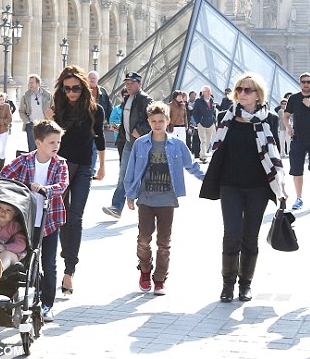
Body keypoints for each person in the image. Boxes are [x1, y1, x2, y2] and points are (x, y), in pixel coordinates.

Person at [199, 73, 286, 303]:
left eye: (248, 90)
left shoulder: (270, 119)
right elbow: (218, 151)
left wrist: (280, 182)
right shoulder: (225, 116)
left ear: (259, 94)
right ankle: (228, 284)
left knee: (250, 237)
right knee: (231, 234)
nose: (242, 94)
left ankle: (245, 285)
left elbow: (274, 153)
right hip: (230, 185)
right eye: (239, 89)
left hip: (258, 187)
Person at [124, 101, 205, 295]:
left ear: (168, 121)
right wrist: (130, 195)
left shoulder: (177, 145)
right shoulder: (140, 143)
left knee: (164, 242)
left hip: (167, 199)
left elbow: (191, 165)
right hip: (145, 198)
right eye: (154, 121)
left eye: (161, 120)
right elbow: (131, 170)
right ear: (149, 122)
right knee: (143, 239)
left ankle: (160, 278)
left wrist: (209, 179)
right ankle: (145, 269)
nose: (158, 124)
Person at [0, 120, 69, 322]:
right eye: (51, 142)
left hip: (49, 221)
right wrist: (15, 186)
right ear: (38, 142)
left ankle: (47, 304)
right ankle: (23, 297)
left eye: (58, 142)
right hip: (26, 222)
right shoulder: (24, 160)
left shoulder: (60, 163)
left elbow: (62, 185)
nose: (56, 146)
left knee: (49, 263)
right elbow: (3, 176)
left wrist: (45, 189)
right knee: (26, 262)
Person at [45, 66, 106, 296]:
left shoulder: (95, 110)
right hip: (60, 168)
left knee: (76, 217)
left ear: (84, 87)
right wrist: (49, 119)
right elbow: (48, 140)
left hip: (83, 168)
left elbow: (99, 139)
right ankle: (65, 258)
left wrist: (102, 165)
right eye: (67, 88)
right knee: (62, 216)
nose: (71, 93)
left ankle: (69, 270)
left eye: (76, 88)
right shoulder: (57, 110)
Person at [102, 72, 152, 219]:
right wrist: (121, 129)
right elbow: (127, 119)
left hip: (142, 144)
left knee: (143, 176)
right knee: (123, 175)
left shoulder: (146, 100)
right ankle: (116, 207)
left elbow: (152, 119)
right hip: (129, 143)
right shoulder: (127, 99)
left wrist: (140, 131)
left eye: (131, 83)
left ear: (139, 84)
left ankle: (149, 206)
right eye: (126, 83)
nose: (128, 86)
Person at [283, 72, 310, 210]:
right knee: (297, 170)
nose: (306, 84)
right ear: (300, 83)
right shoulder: (294, 99)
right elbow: (286, 116)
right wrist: (288, 127)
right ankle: (299, 198)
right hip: (298, 139)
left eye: (308, 82)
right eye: (303, 82)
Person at [88, 71, 113, 175]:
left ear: (97, 79)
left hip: (98, 124)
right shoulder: (82, 91)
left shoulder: (102, 91)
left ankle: (91, 170)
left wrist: (110, 121)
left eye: (94, 78)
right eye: (90, 78)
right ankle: (89, 169)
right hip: (86, 124)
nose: (92, 80)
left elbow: (108, 106)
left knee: (94, 147)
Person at [20, 74, 53, 152]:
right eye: (29, 83)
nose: (30, 85)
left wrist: (50, 120)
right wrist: (27, 121)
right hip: (31, 125)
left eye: (32, 83)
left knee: (44, 147)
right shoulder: (26, 96)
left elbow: (53, 108)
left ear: (38, 83)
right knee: (32, 149)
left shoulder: (47, 95)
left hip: (44, 124)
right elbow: (21, 111)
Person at [193, 86, 217, 163]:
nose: (209, 93)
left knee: (208, 141)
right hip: (202, 123)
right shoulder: (198, 101)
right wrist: (198, 122)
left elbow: (214, 112)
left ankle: (202, 154)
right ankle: (203, 156)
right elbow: (195, 113)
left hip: (210, 123)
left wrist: (214, 121)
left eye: (209, 91)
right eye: (207, 91)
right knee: (203, 140)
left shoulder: (212, 100)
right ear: (203, 92)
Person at [0, 93, 12, 176]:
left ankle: (1, 172)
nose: (2, 101)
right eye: (0, 100)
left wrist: (1, 121)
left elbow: (9, 119)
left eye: (3, 99)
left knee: (2, 151)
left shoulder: (7, 106)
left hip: (4, 130)